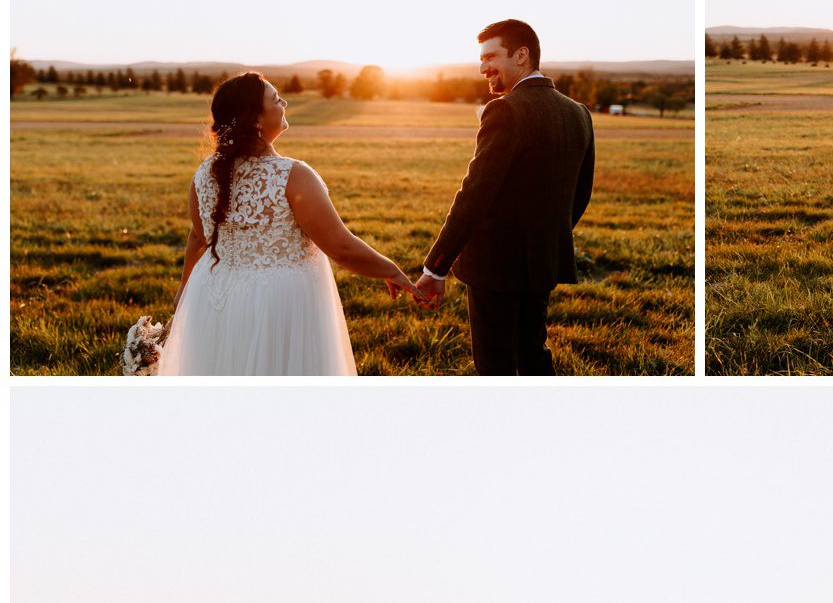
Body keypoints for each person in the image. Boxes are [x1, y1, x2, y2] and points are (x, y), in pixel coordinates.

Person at [159, 72, 415, 376]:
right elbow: (341, 246)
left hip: (215, 296)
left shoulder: (203, 174)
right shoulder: (293, 176)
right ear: (255, 120)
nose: (285, 103)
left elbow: (198, 238)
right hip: (278, 305)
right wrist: (391, 269)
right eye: (276, 99)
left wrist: (185, 290)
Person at [414, 19, 595, 376]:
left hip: (494, 266)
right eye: (480, 60)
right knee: (533, 351)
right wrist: (545, 238)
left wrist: (436, 267)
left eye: (491, 56)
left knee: (494, 362)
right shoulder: (579, 113)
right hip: (543, 262)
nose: (483, 68)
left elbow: (474, 195)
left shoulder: (505, 110)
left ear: (522, 55)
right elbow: (580, 194)